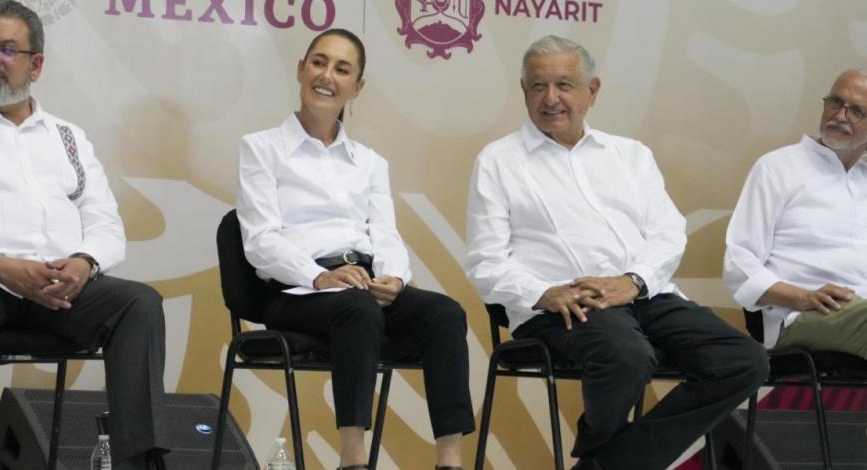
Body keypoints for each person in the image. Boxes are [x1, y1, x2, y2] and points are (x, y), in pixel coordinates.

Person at [464, 34, 768, 470]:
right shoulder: (499, 161)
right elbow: (485, 261)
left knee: (745, 361)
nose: (551, 99)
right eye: (538, 86)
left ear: (593, 90)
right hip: (562, 307)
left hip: (642, 293)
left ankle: (606, 462)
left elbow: (668, 232)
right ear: (523, 90)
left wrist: (634, 282)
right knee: (627, 356)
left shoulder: (630, 155)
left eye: (564, 85)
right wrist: (545, 292)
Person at [0, 1, 168, 469]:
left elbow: (105, 224)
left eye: (5, 49)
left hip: (59, 291)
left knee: (139, 303)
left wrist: (83, 263)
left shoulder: (69, 137)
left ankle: (138, 461)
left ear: (36, 64)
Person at [235, 28, 474, 470]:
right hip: (297, 292)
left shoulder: (369, 162)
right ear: (301, 69)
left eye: (342, 69)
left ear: (357, 87)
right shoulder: (262, 148)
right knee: (357, 311)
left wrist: (395, 279)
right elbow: (261, 241)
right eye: (319, 62)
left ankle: (450, 461)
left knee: (445, 314)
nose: (327, 76)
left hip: (362, 284)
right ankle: (354, 460)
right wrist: (318, 276)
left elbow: (386, 234)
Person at [724, 68, 867, 356]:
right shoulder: (778, 167)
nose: (840, 116)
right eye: (835, 102)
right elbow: (739, 264)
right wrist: (803, 297)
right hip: (801, 314)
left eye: (856, 111)